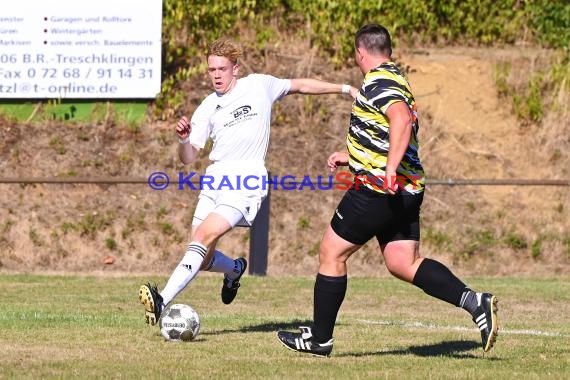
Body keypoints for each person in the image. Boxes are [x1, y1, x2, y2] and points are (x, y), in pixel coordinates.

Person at [277, 23, 499, 357]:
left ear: (360, 52)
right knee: (402, 262)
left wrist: (389, 168)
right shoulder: (396, 76)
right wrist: (352, 156)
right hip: (407, 189)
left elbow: (399, 120)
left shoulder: (378, 80)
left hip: (379, 188)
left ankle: (320, 339)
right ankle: (475, 302)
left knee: (331, 252)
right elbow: (384, 130)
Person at [138, 37, 358, 327]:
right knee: (202, 255)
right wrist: (182, 140)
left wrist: (344, 88)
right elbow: (188, 158)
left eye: (222, 68)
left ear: (236, 69)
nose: (216, 75)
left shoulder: (259, 85)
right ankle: (234, 269)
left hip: (246, 181)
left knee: (203, 236)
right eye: (211, 69)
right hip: (214, 180)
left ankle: (162, 299)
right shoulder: (206, 107)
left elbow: (301, 85)